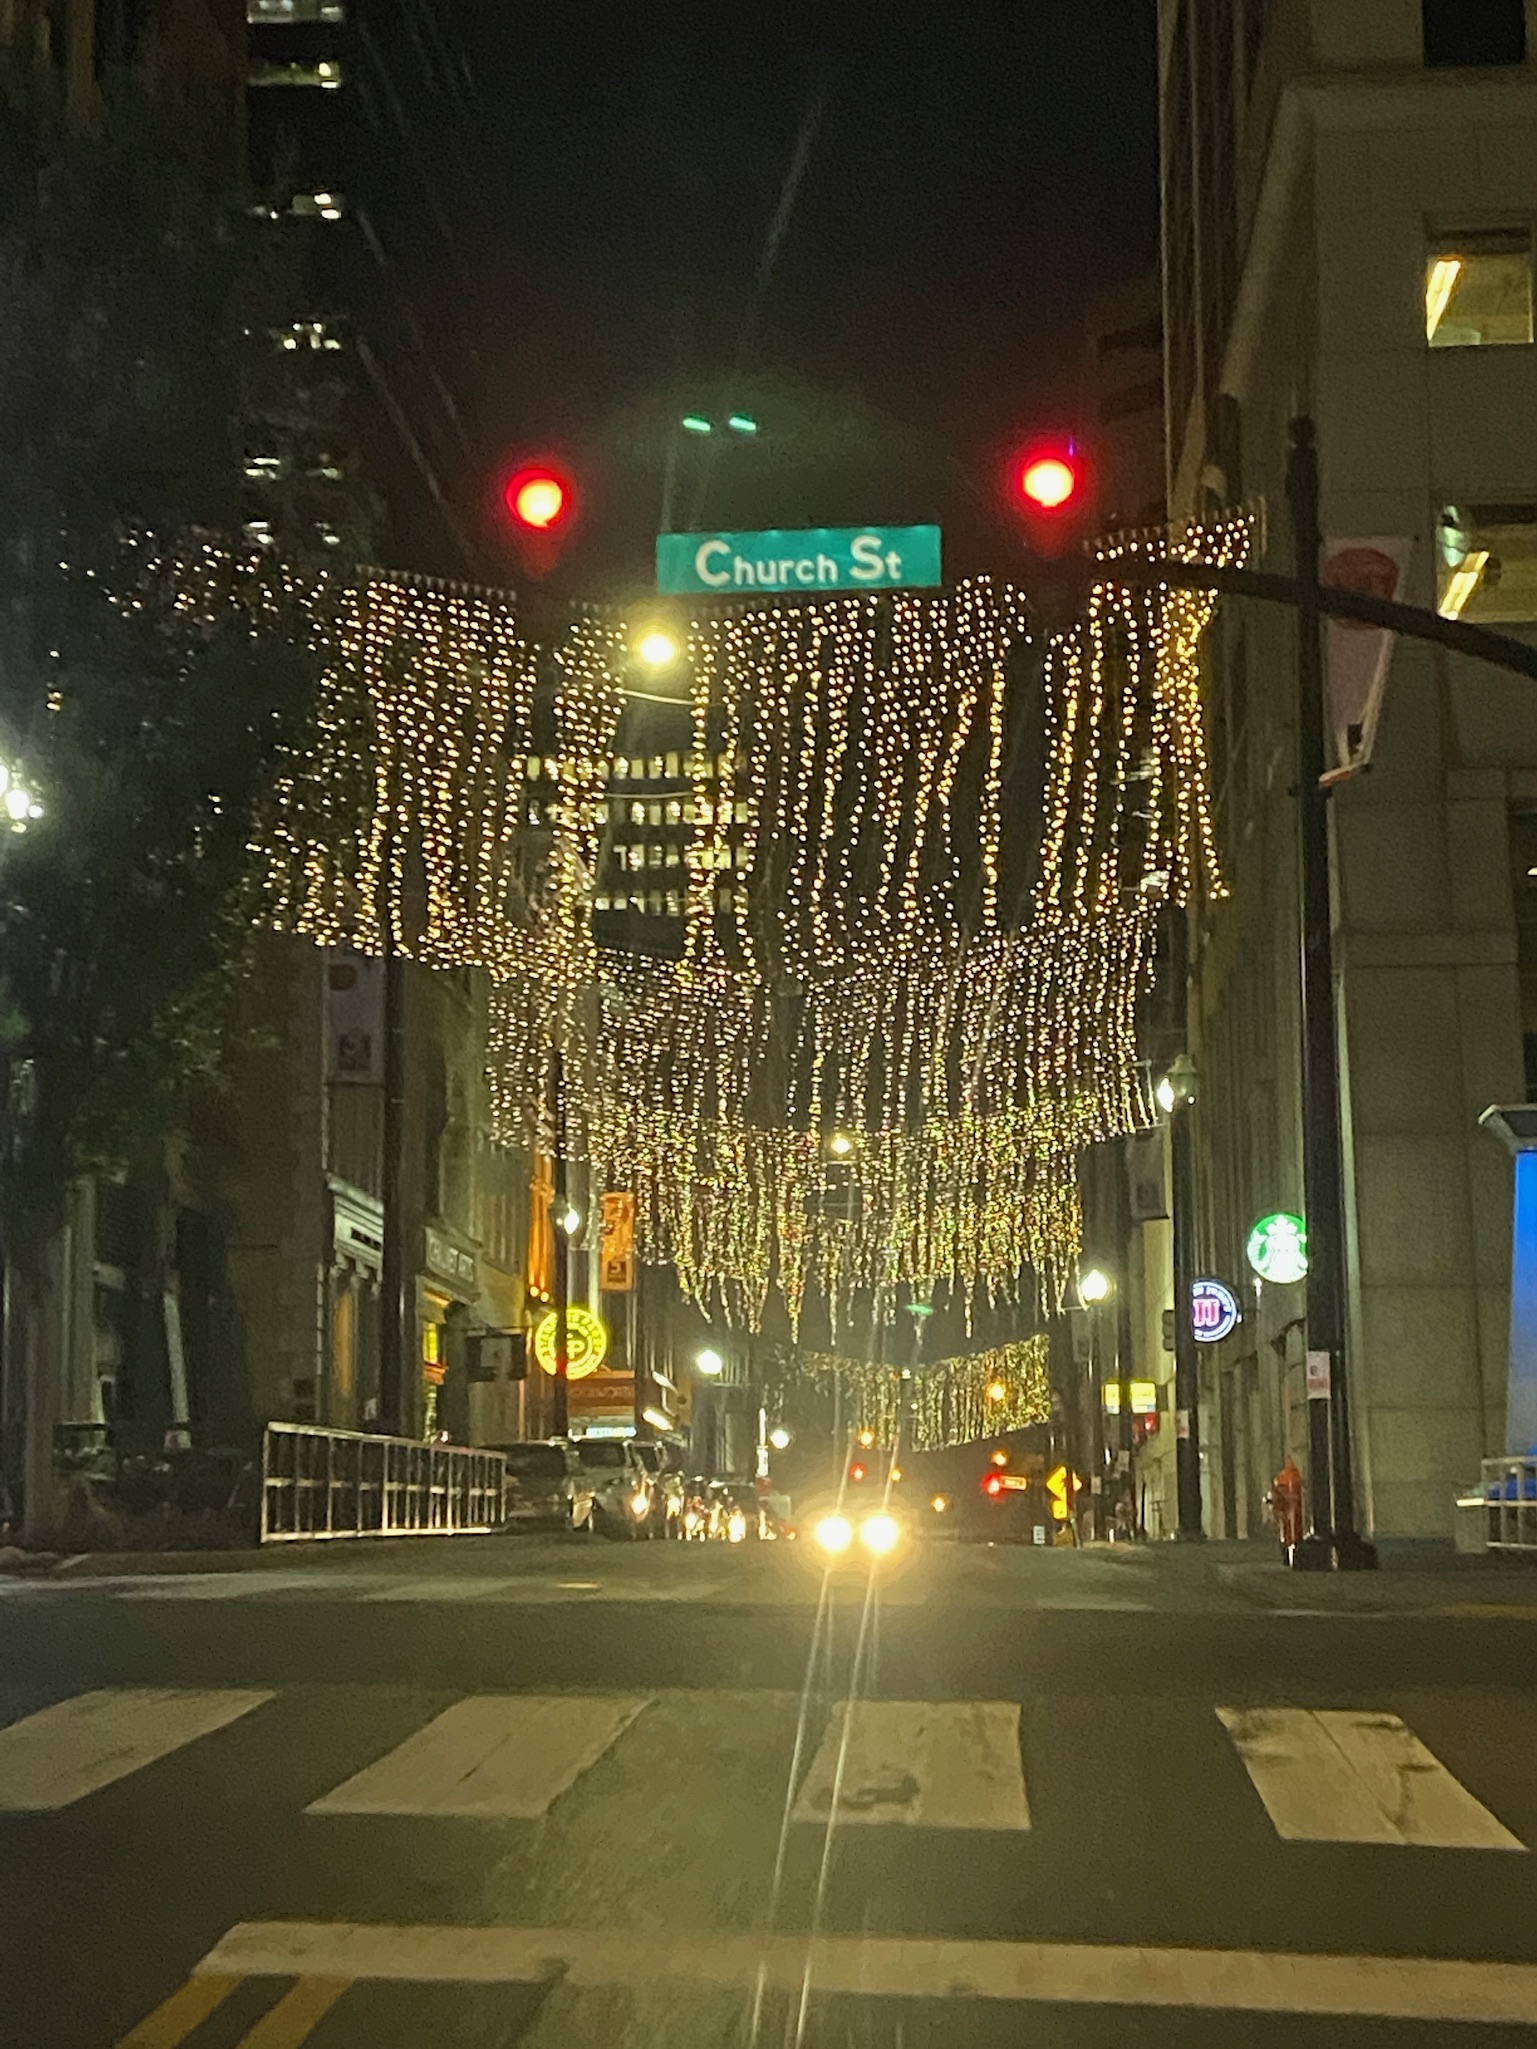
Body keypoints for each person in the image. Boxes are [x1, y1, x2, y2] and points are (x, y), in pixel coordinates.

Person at [1269, 1454, 1303, 1562]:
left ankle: (1289, 1551)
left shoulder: (1282, 1478)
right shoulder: (1289, 1478)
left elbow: (1277, 1495)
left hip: (1290, 1512)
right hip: (1292, 1511)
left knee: (1288, 1532)